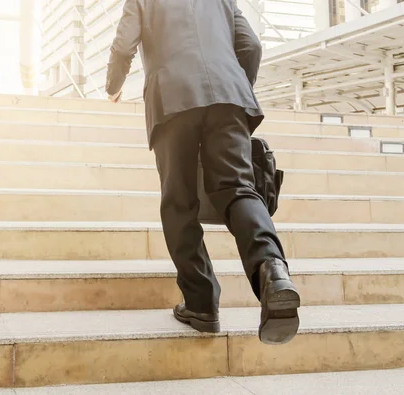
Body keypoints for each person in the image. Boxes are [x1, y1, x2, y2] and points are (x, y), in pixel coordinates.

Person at [106, 0, 300, 345]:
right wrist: (233, 85)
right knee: (239, 188)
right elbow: (251, 46)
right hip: (229, 96)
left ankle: (201, 304)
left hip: (173, 97)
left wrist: (113, 86)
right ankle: (272, 268)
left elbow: (124, 45)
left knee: (179, 201)